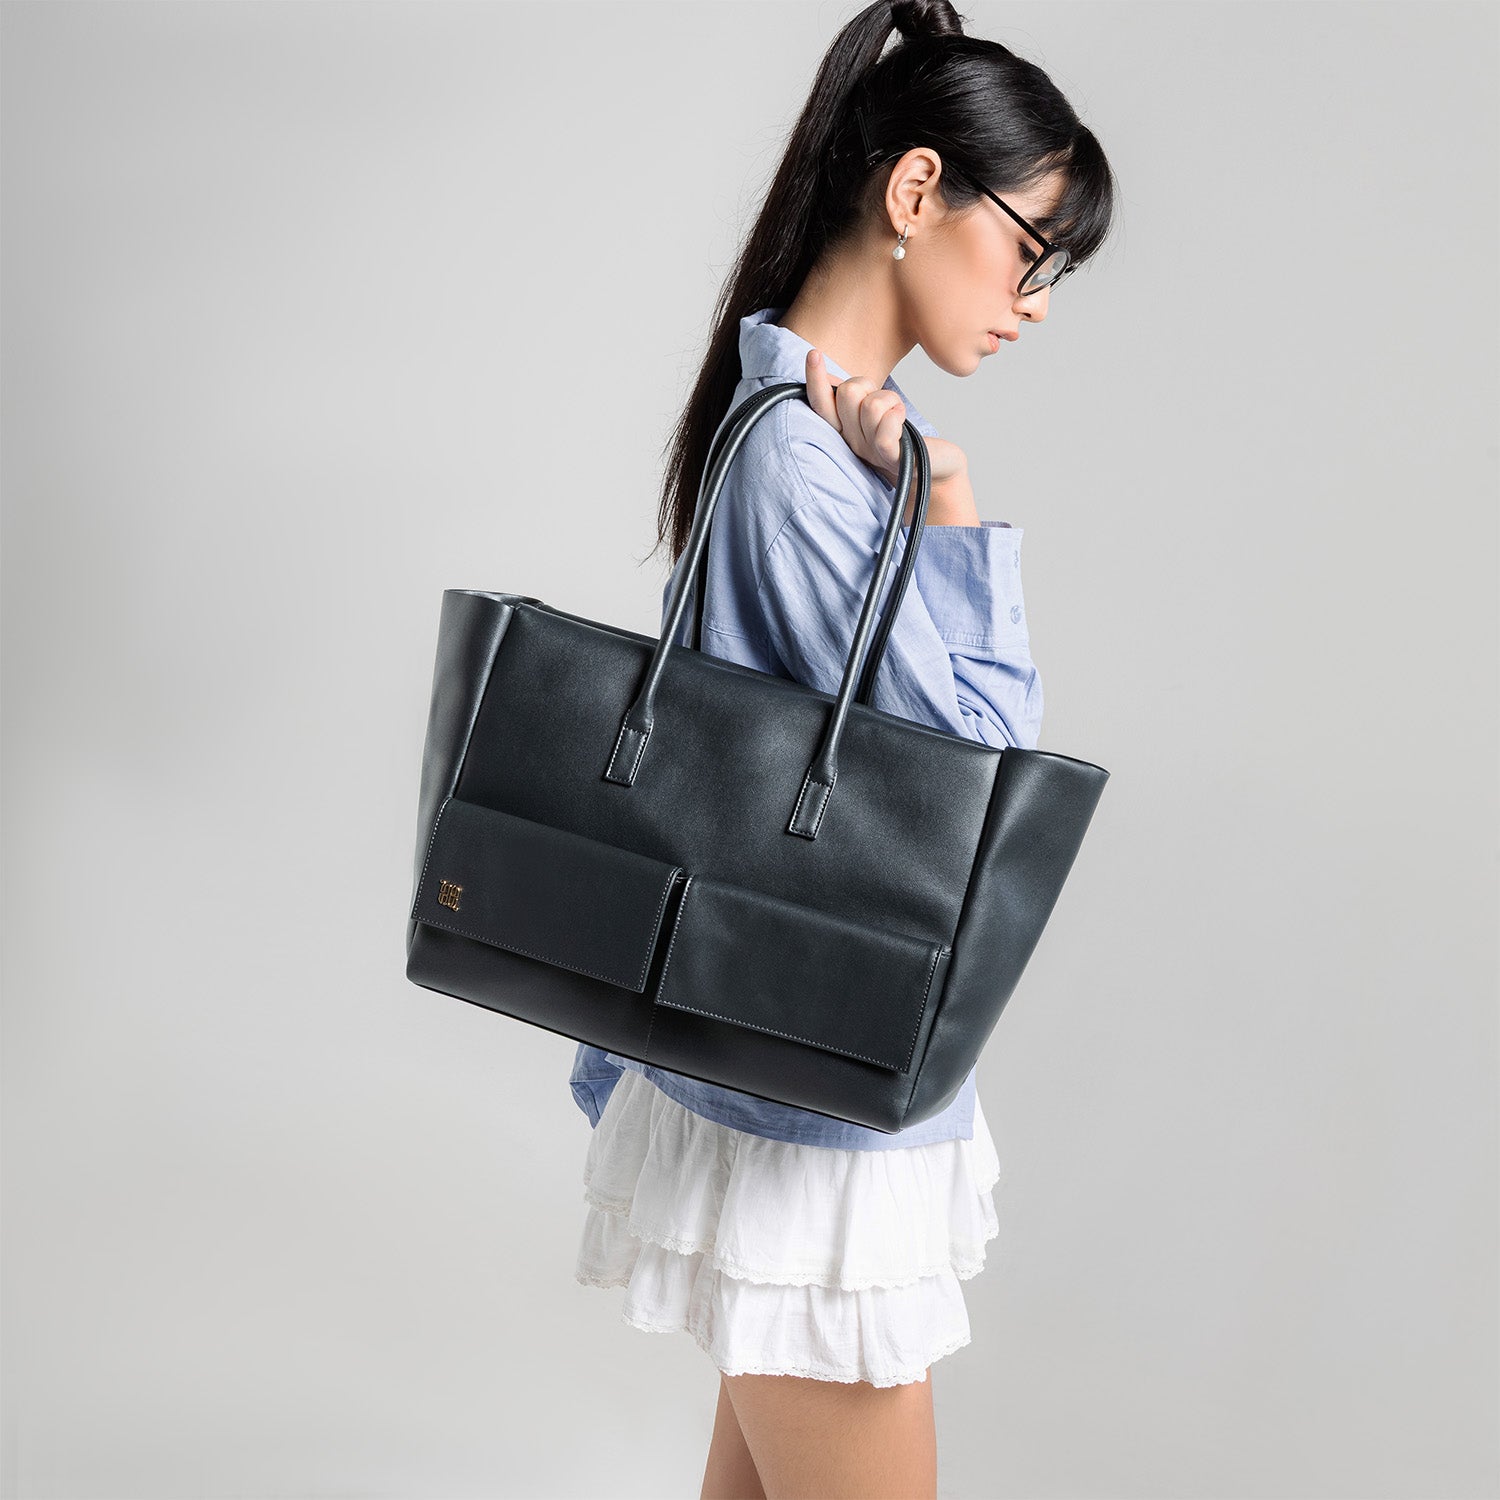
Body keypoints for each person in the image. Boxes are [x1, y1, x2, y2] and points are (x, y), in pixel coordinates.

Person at [570, 1, 1116, 1494]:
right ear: (918, 190)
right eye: (1033, 250)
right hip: (815, 1115)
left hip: (781, 1078)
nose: (1035, 303)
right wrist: (949, 511)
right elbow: (982, 773)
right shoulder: (809, 472)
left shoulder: (789, 429)